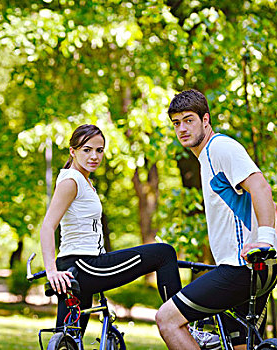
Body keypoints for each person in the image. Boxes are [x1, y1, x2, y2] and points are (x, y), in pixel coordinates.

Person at [155, 89, 277, 349]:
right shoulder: (208, 158)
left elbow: (262, 188)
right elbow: (267, 201)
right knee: (239, 345)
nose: (182, 128)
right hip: (257, 267)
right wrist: (271, 249)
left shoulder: (219, 148)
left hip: (240, 268)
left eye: (189, 120)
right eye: (176, 123)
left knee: (167, 319)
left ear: (205, 120)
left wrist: (266, 241)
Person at [40, 124, 182, 334]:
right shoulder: (71, 181)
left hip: (76, 268)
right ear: (73, 151)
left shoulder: (82, 180)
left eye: (99, 150)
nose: (94, 156)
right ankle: (182, 323)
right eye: (87, 150)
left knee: (67, 339)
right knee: (164, 253)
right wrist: (51, 271)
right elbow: (47, 226)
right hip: (85, 266)